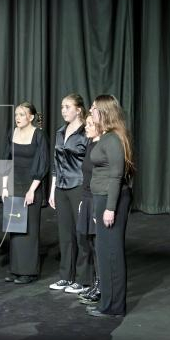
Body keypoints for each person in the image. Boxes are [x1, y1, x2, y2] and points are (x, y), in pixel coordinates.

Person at [86, 95, 134, 317]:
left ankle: (114, 307)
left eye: (94, 108)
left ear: (104, 112)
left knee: (112, 253)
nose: (90, 111)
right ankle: (106, 302)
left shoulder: (113, 139)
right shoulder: (104, 136)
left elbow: (116, 176)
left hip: (111, 199)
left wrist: (110, 208)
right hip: (102, 198)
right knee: (104, 253)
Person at [1, 102, 49, 284]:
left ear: (31, 117)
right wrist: (4, 186)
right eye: (16, 114)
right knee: (15, 229)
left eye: (22, 114)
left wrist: (32, 190)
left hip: (31, 188)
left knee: (29, 230)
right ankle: (16, 270)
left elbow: (43, 163)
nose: (18, 118)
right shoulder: (12, 133)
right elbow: (6, 161)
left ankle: (28, 271)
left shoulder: (38, 135)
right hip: (14, 185)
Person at [48, 93, 91, 293]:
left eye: (67, 107)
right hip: (61, 188)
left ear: (78, 109)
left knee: (81, 233)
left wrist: (87, 192)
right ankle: (66, 276)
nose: (64, 110)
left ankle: (83, 280)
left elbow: (90, 164)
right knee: (65, 235)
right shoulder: (60, 132)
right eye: (62, 107)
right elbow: (56, 164)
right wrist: (52, 189)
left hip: (79, 186)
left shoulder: (86, 133)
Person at [76, 113, 101, 305]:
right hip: (87, 198)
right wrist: (83, 201)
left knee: (98, 244)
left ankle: (101, 285)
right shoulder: (91, 144)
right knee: (90, 243)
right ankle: (95, 282)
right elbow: (86, 176)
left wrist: (93, 206)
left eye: (90, 125)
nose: (86, 128)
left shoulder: (102, 147)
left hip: (96, 199)